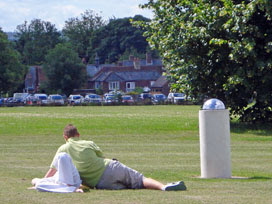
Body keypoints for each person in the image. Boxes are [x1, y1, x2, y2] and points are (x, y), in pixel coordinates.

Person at [44, 124, 187, 191]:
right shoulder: (88, 143)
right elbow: (102, 157)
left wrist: (41, 183)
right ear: (78, 135)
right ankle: (163, 187)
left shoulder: (62, 150)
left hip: (100, 184)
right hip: (109, 168)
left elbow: (52, 172)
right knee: (140, 180)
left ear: (65, 137)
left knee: (130, 187)